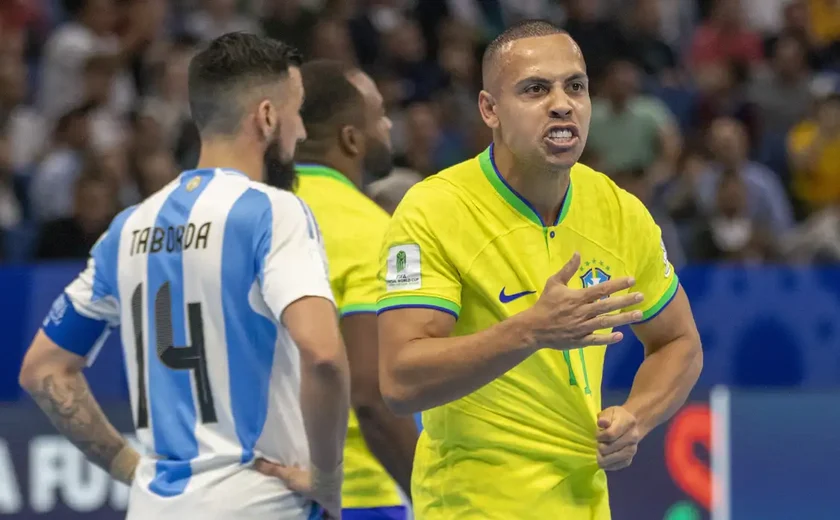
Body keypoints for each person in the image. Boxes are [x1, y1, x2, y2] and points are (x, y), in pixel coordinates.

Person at [376, 20, 703, 519]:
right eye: (535, 89)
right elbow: (401, 382)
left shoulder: (620, 212)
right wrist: (531, 330)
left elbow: (679, 343)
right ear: (490, 110)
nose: (562, 103)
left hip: (585, 505)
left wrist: (636, 416)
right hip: (471, 507)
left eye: (575, 86)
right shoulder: (434, 210)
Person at [18, 33, 350, 520]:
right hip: (261, 502)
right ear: (266, 116)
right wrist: (327, 475)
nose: (300, 132)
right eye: (296, 112)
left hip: (154, 507)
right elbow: (322, 354)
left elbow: (42, 368)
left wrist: (128, 465)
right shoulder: (273, 212)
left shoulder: (128, 226)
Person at [288, 59, 418, 520]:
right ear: (350, 138)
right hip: (358, 493)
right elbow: (371, 396)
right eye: (379, 114)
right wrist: (433, 495)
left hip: (261, 490)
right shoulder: (377, 231)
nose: (388, 125)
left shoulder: (252, 215)